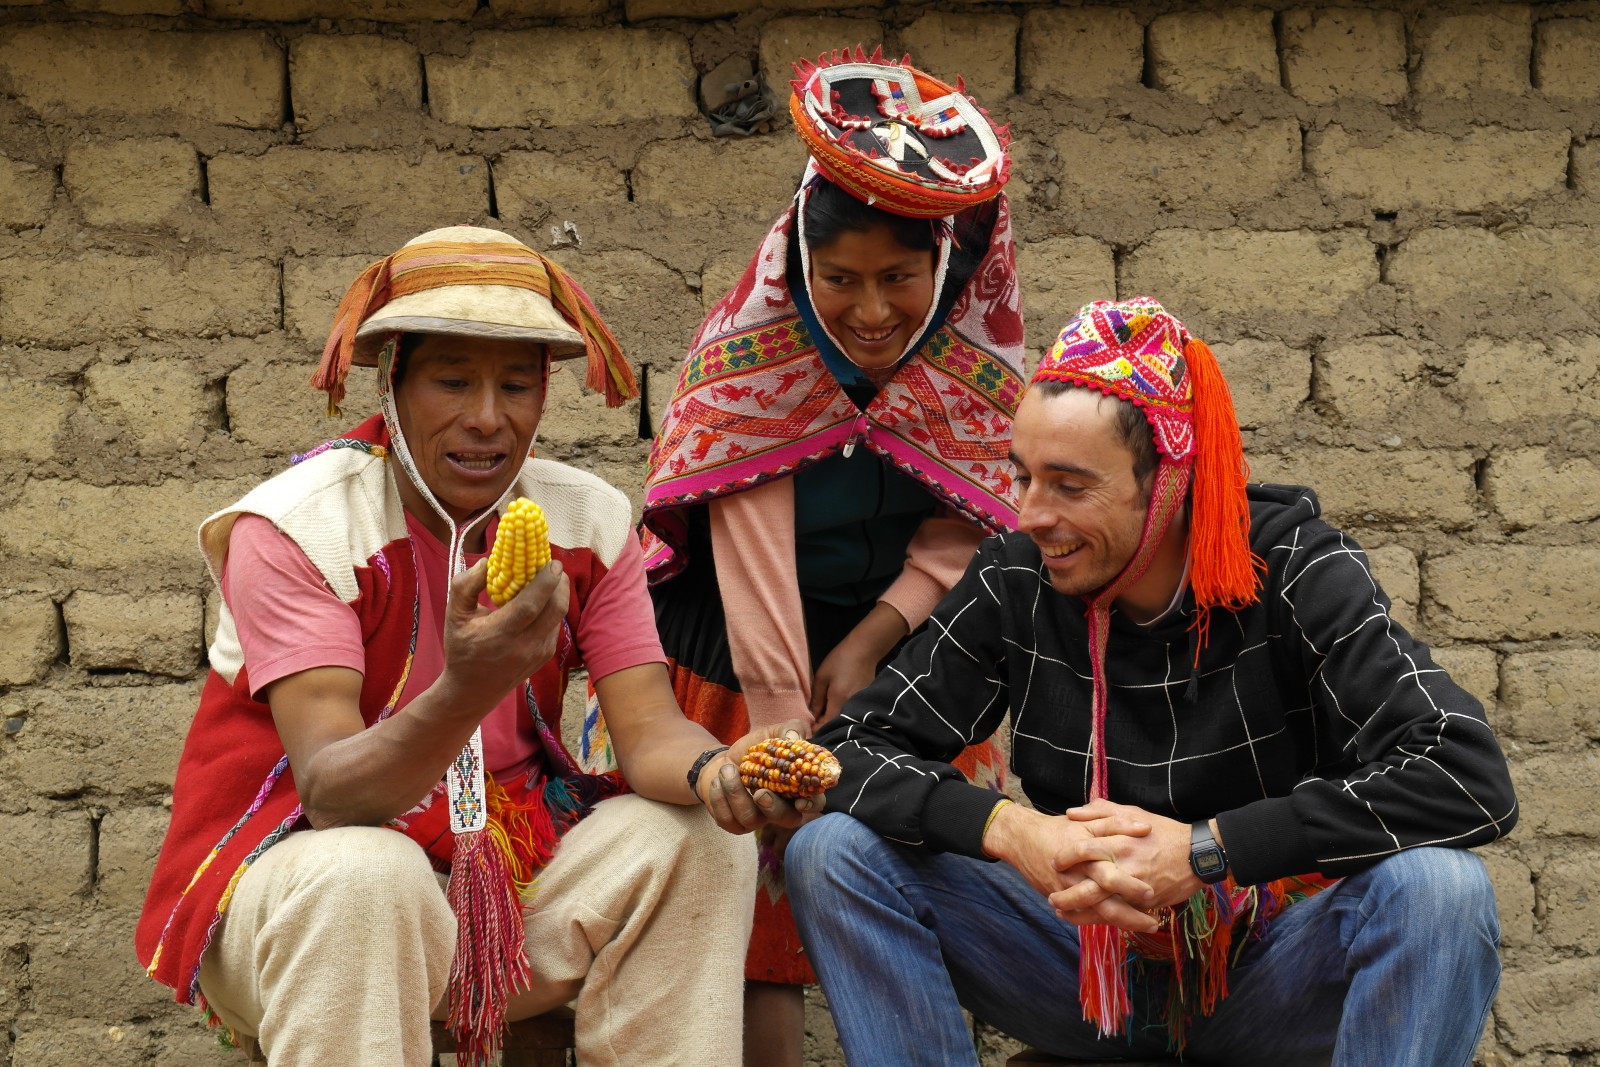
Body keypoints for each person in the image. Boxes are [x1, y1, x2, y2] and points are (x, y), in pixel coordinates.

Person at [782, 297, 1520, 1067]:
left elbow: (1466, 775)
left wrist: (1207, 849)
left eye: (1069, 485)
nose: (1030, 513)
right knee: (835, 852)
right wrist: (1017, 833)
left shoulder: (1297, 568)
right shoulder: (1017, 577)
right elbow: (849, 748)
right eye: (1022, 476)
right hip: (1080, 970)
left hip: (1272, 971)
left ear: (1167, 480)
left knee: (1442, 888)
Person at [135, 225, 792, 1067]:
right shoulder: (298, 527)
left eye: (517, 385)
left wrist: (720, 773)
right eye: (452, 380)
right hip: (301, 896)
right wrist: (465, 689)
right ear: (393, 380)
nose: (489, 419)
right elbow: (333, 793)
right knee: (368, 873)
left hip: (507, 884)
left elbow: (649, 727)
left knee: (700, 841)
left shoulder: (587, 520)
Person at [595, 48, 1025, 1067]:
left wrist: (878, 640)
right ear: (799, 264)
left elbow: (971, 523)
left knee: (928, 883)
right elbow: (747, 552)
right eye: (840, 280)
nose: (870, 310)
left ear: (941, 270)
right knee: (745, 917)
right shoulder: (751, 360)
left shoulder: (977, 363)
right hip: (736, 658)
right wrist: (785, 741)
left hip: (913, 660)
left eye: (896, 278)